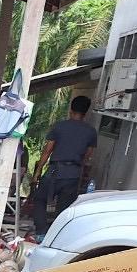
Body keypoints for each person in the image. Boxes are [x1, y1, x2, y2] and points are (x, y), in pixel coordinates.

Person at [32, 95, 98, 236]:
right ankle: (57, 236)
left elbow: (47, 151)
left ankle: (41, 232)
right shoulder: (91, 132)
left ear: (71, 110)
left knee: (39, 199)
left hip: (55, 170)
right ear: (86, 113)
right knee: (63, 208)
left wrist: (38, 171)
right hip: (73, 173)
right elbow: (88, 155)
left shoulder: (59, 127)